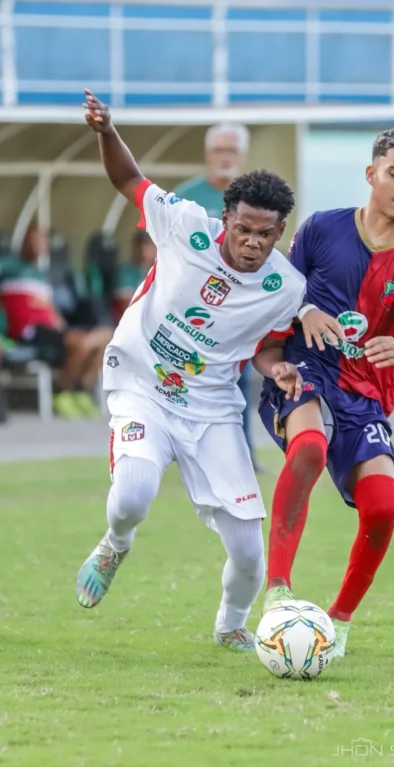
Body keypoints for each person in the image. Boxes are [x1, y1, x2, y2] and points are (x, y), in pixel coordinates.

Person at [75, 90, 306, 651]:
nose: (252, 243)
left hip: (211, 410)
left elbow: (270, 348)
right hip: (143, 385)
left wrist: (278, 371)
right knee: (133, 495)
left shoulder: (285, 288)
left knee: (251, 553)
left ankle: (230, 627)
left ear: (280, 233)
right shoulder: (185, 225)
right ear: (224, 217)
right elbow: (128, 179)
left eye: (265, 234)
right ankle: (115, 543)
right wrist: (107, 131)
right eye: (243, 228)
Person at [258, 126, 394, 658]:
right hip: (305, 370)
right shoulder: (321, 229)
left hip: (366, 394)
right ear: (372, 174)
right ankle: (277, 589)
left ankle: (339, 622)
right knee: (310, 448)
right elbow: (279, 294)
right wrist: (303, 308)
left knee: (382, 507)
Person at [172, 123, 263, 470]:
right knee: (188, 383)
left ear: (242, 155)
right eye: (219, 151)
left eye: (231, 151)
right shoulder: (187, 196)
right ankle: (184, 454)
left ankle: (244, 456)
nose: (225, 158)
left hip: (238, 312)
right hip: (193, 310)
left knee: (238, 386)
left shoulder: (256, 200)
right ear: (207, 155)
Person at [0, 225, 110, 419]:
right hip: (29, 331)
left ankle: (79, 391)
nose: (37, 244)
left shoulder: (42, 276)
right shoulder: (9, 267)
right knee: (80, 343)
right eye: (32, 239)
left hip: (51, 329)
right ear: (24, 242)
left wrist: (61, 325)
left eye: (41, 240)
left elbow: (48, 308)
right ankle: (60, 393)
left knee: (105, 339)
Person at [112, 229, 156, 323]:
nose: (144, 249)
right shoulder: (126, 271)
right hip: (128, 323)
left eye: (149, 243)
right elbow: (127, 305)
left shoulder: (160, 272)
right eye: (142, 243)